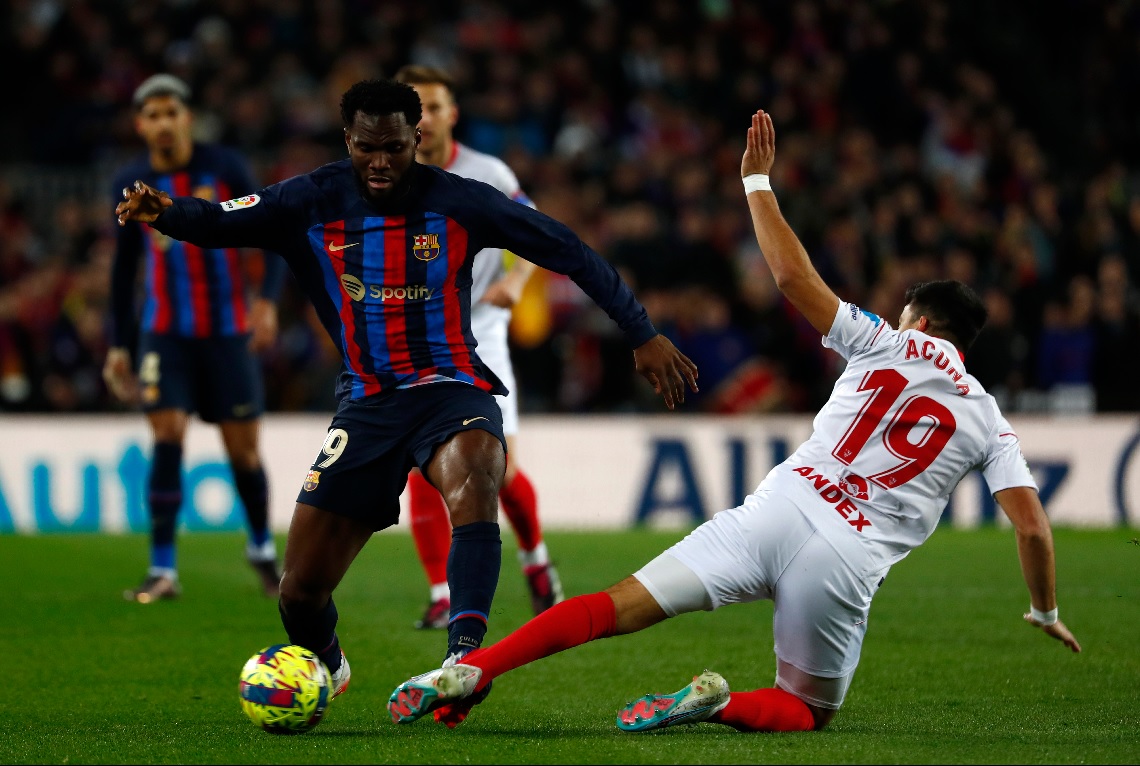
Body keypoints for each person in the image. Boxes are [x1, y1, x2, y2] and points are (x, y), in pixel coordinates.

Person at [386, 109, 1082, 732]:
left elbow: (791, 280)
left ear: (921, 321)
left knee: (613, 605)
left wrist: (757, 184)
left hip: (778, 509)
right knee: (808, 708)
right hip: (846, 561)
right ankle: (720, 704)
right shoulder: (989, 419)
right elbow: (1032, 527)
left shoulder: (885, 340)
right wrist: (1045, 610)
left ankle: (479, 667)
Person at [114, 78, 697, 700]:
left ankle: (464, 661)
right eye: (368, 148)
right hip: (366, 402)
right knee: (299, 593)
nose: (382, 161)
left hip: (451, 386)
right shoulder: (311, 198)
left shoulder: (463, 200)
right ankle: (331, 669)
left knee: (477, 473)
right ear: (349, 141)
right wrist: (166, 213)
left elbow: (568, 249)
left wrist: (641, 332)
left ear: (416, 139)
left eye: (395, 146)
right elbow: (221, 220)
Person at [105, 74, 286, 604]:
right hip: (165, 333)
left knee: (243, 453)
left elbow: (271, 227)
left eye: (171, 113)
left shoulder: (224, 168)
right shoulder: (130, 179)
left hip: (228, 332)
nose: (163, 124)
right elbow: (122, 269)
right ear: (140, 125)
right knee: (166, 435)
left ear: (187, 118)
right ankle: (162, 568)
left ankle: (261, 552)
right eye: (152, 115)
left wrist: (268, 299)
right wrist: (120, 345)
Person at [393, 64, 562, 629]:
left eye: (435, 106)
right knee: (422, 464)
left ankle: (536, 560)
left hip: (481, 330)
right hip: (416, 334)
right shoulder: (388, 174)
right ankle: (442, 594)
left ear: (451, 114)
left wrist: (513, 284)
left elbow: (534, 230)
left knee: (500, 468)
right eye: (416, 107)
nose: (427, 117)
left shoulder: (487, 172)